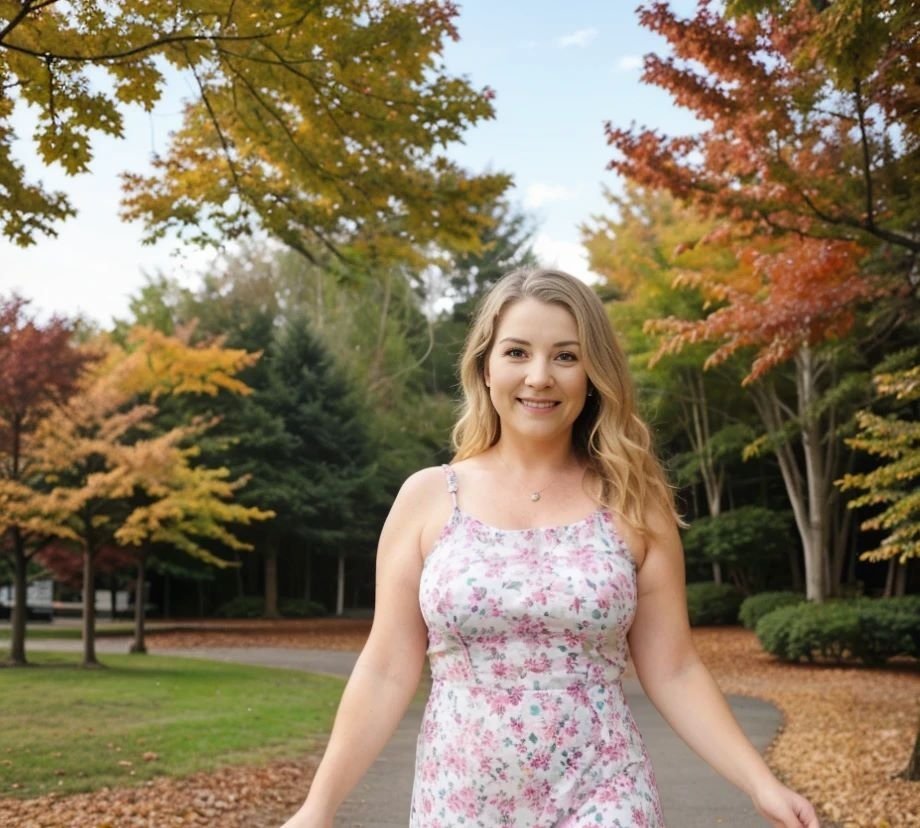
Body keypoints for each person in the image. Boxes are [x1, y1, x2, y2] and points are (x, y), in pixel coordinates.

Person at [280, 268, 819, 828]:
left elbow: (675, 669)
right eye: (517, 352)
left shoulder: (635, 501)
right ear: (485, 367)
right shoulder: (427, 498)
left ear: (593, 374)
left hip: (605, 795)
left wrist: (761, 783)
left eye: (566, 356)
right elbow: (386, 669)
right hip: (458, 801)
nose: (539, 377)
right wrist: (319, 807)